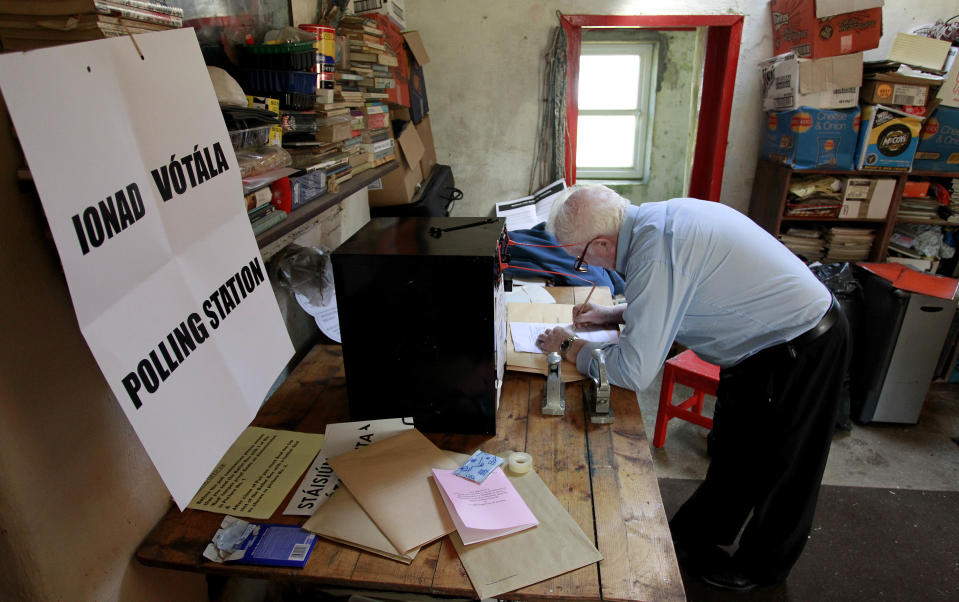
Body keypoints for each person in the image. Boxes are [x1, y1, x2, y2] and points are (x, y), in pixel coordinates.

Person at [536, 185, 849, 592]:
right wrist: (612, 314)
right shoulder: (652, 224)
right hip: (757, 349)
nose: (582, 265)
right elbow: (674, 294)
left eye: (578, 258)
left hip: (802, 343)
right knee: (734, 448)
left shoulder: (659, 247)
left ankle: (762, 570)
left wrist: (569, 346)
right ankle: (699, 533)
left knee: (788, 466)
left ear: (601, 242)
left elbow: (633, 372)